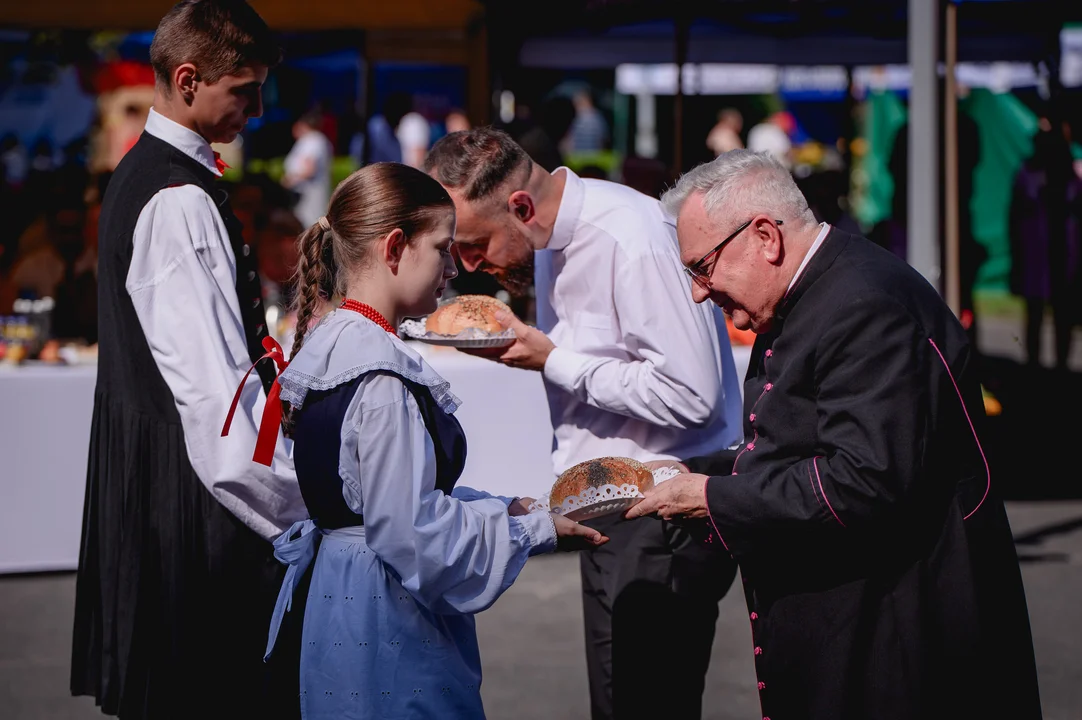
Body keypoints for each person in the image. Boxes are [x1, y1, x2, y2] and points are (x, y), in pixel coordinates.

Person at [627, 149, 1043, 720]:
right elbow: (788, 442)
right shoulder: (804, 296)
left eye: (702, 267)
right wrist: (700, 475)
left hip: (898, 637)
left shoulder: (866, 305)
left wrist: (708, 497)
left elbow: (862, 481)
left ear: (766, 237)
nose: (699, 292)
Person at [254, 161, 606, 718]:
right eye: (441, 248)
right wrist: (531, 529)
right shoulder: (379, 374)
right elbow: (412, 536)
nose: (450, 271)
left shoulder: (331, 344)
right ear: (395, 248)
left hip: (337, 597)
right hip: (380, 614)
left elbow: (376, 504)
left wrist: (496, 508)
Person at [424, 127, 744, 720]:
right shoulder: (547, 242)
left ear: (520, 207)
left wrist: (555, 360)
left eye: (473, 243)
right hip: (609, 503)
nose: (466, 264)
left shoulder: (630, 236)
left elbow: (695, 397)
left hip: (662, 509)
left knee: (648, 703)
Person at [69, 2, 306, 718]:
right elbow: (214, 398)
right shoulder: (177, 199)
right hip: (189, 507)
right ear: (188, 77)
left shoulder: (152, 175)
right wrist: (298, 506)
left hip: (167, 485)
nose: (257, 109)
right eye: (244, 89)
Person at [1009, 116, 1081, 370]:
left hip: (1064, 256)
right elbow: (1015, 218)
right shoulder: (1027, 173)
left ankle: (1060, 366)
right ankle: (1034, 366)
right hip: (1035, 255)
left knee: (1063, 314)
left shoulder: (1070, 175)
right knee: (1035, 313)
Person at [281, 106, 333, 228]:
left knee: (308, 225)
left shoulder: (312, 140)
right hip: (306, 194)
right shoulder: (316, 140)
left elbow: (309, 168)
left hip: (308, 195)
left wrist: (288, 181)